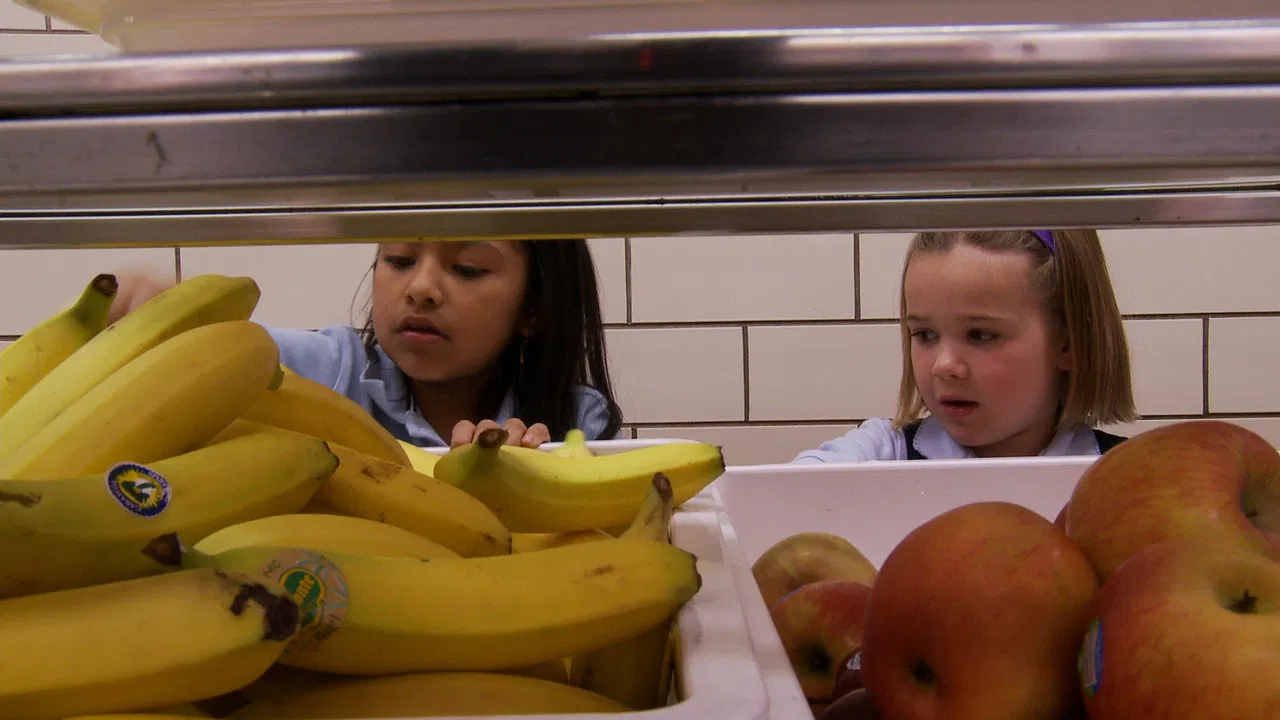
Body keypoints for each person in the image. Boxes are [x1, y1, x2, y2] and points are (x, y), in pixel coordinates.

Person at [108, 239, 624, 449]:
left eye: (467, 269)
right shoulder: (326, 369)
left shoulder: (575, 421)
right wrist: (160, 318)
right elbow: (229, 350)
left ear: (534, 308)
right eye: (399, 259)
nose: (420, 288)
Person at [795, 228, 1137, 463]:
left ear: (1069, 344)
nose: (944, 366)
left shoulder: (1124, 477)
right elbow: (787, 495)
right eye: (925, 335)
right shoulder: (884, 452)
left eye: (981, 335)